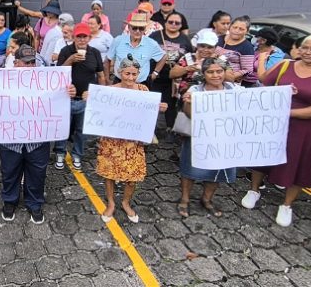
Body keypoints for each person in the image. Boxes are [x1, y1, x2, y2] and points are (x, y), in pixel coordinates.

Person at [243, 33, 311, 227]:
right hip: (275, 123)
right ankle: (254, 190)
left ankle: (287, 204)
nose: (307, 52)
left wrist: (286, 112)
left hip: (305, 128)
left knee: (299, 164)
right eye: (305, 47)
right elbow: (265, 87)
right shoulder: (285, 66)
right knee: (263, 157)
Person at [0, 45, 76, 224]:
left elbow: (57, 98)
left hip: (38, 139)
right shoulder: (1, 80)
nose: (29, 66)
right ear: (15, 63)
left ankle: (34, 203)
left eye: (32, 62)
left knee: (37, 173)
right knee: (9, 172)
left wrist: (68, 92)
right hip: (11, 139)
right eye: (25, 63)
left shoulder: (46, 80)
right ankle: (10, 201)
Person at [97, 54, 167, 223]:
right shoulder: (111, 91)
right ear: (119, 73)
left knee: (132, 177)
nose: (130, 77)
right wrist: (91, 99)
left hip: (134, 141)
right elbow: (101, 113)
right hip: (113, 141)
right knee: (110, 174)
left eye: (134, 74)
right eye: (127, 74)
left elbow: (147, 114)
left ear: (138, 74)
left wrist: (159, 108)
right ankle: (111, 203)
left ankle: (126, 202)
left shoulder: (143, 91)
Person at [177, 58, 237, 218]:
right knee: (191, 167)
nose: (215, 75)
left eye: (219, 71)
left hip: (224, 138)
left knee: (216, 168)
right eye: (210, 72)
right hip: (199, 137)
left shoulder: (234, 90)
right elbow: (189, 114)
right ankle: (185, 198)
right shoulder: (196, 90)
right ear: (203, 74)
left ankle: (207, 198)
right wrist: (189, 103)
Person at [55, 23, 106, 170]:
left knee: (82, 130)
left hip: (86, 100)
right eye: (79, 37)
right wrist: (70, 60)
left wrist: (98, 96)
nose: (82, 40)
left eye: (85, 37)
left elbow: (101, 76)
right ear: (73, 38)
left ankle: (77, 155)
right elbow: (57, 74)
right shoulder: (66, 51)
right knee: (62, 128)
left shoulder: (94, 53)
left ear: (89, 38)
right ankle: (60, 152)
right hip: (66, 98)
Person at [149, 12, 193, 141]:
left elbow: (189, 56)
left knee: (171, 104)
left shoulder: (185, 39)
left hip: (175, 79)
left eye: (177, 23)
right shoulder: (155, 36)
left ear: (181, 25)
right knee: (153, 103)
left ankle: (170, 129)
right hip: (155, 76)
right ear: (165, 23)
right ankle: (151, 130)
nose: (173, 25)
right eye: (170, 22)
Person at [108, 14, 166, 85]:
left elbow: (163, 56)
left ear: (145, 29)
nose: (138, 31)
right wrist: (107, 77)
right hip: (120, 82)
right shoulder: (118, 40)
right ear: (129, 28)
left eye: (141, 28)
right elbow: (108, 59)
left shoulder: (151, 44)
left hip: (140, 84)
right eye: (135, 28)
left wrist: (155, 73)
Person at [214, 16, 255, 87]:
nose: (236, 31)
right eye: (234, 27)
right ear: (230, 27)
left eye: (241, 29)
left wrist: (230, 77)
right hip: (212, 78)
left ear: (247, 31)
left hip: (231, 83)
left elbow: (247, 69)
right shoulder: (219, 39)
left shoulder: (247, 46)